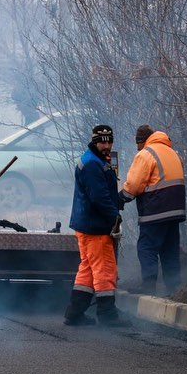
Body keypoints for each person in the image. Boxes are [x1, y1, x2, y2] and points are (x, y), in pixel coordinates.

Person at [63, 124, 131, 326]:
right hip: (95, 227)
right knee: (105, 270)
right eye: (102, 141)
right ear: (94, 141)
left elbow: (100, 194)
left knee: (88, 270)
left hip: (86, 224)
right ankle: (108, 315)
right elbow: (99, 197)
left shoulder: (93, 159)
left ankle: (74, 314)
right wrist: (114, 217)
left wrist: (116, 202)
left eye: (109, 141)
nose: (106, 145)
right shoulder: (93, 164)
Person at [121, 125, 186, 296]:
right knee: (170, 249)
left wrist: (121, 198)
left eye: (138, 145)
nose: (137, 149)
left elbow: (134, 185)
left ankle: (149, 285)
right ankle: (174, 288)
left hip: (156, 209)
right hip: (176, 210)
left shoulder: (146, 154)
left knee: (146, 246)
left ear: (142, 142)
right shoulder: (172, 152)